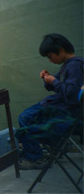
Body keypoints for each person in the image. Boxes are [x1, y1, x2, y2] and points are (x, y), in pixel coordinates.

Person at [16, 33, 83, 170]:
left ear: (60, 50)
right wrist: (47, 79)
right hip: (61, 106)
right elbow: (56, 85)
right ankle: (54, 147)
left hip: (66, 112)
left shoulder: (74, 66)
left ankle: (34, 157)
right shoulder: (68, 65)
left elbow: (71, 94)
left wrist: (53, 81)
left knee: (25, 117)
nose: (50, 60)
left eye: (50, 56)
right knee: (29, 117)